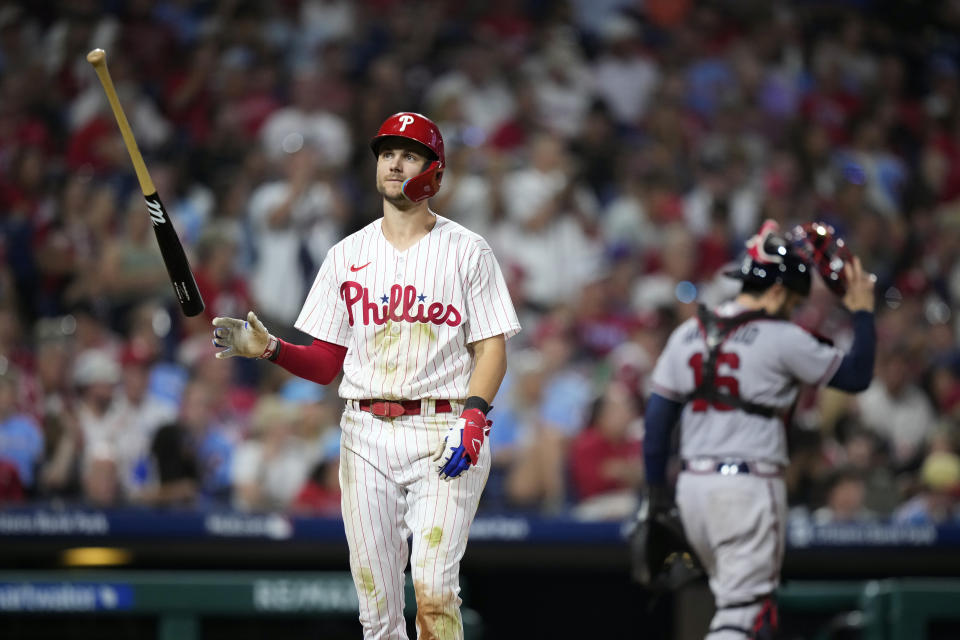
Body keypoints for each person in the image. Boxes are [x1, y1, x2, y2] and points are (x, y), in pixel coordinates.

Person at [211, 112, 520, 640]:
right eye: (387, 153)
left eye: (410, 154)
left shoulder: (468, 250)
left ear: (435, 172)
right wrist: (270, 349)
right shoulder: (345, 254)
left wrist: (475, 415)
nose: (395, 162)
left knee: (434, 588)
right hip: (365, 434)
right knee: (376, 612)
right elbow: (327, 364)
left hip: (442, 429)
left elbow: (491, 349)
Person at [641, 220, 877, 639]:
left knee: (751, 612)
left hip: (693, 490)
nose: (795, 308)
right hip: (746, 490)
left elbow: (657, 425)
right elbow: (857, 375)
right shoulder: (783, 337)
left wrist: (656, 497)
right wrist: (861, 311)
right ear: (777, 290)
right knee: (743, 615)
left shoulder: (686, 334)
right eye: (793, 299)